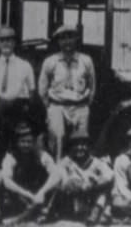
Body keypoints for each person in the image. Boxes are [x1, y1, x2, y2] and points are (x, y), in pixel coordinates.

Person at [38, 25, 96, 160]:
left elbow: (92, 86)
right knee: (57, 139)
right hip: (57, 105)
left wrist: (84, 104)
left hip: (80, 106)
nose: (67, 42)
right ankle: (58, 171)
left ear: (76, 39)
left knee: (79, 142)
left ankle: (77, 173)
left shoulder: (86, 60)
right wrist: (50, 106)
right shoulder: (50, 61)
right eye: (63, 38)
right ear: (58, 41)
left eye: (70, 37)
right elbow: (42, 88)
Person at [0, 25, 36, 163]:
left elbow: (31, 90)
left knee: (18, 138)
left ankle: (16, 172)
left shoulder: (25, 65)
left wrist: (23, 106)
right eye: (2, 40)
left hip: (18, 105)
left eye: (9, 40)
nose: (6, 43)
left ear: (15, 43)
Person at [1, 122, 62, 223]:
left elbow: (56, 174)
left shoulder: (40, 154)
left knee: (58, 182)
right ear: (17, 142)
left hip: (38, 193)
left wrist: (42, 192)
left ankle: (43, 212)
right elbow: (6, 180)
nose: (26, 145)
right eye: (22, 142)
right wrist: (26, 194)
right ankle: (24, 214)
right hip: (21, 195)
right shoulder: (11, 156)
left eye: (29, 142)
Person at [57, 133, 113, 224]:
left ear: (89, 147)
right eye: (76, 145)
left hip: (91, 198)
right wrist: (77, 184)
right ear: (71, 147)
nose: (80, 148)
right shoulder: (67, 161)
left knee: (103, 191)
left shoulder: (96, 162)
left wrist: (93, 184)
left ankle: (96, 212)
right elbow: (60, 177)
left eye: (83, 145)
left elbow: (110, 175)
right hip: (74, 198)